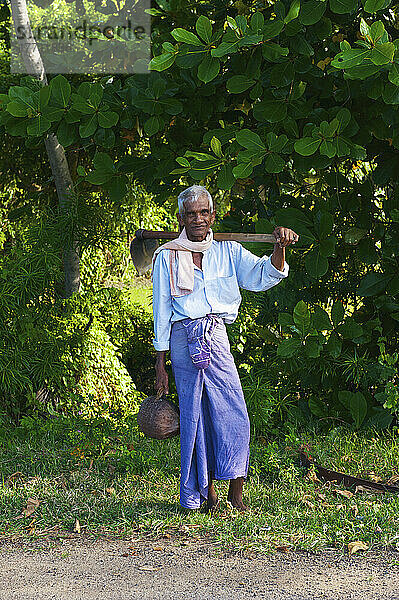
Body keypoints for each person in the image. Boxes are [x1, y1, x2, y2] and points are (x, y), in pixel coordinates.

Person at [152, 185, 298, 512]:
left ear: (213, 215)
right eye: (191, 214)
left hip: (215, 337)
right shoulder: (167, 255)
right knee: (196, 417)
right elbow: (161, 310)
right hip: (182, 340)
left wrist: (280, 248)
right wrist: (160, 364)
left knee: (235, 414)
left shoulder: (229, 252)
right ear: (181, 218)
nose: (198, 219)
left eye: (204, 213)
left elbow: (263, 274)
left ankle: (236, 494)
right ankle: (208, 496)